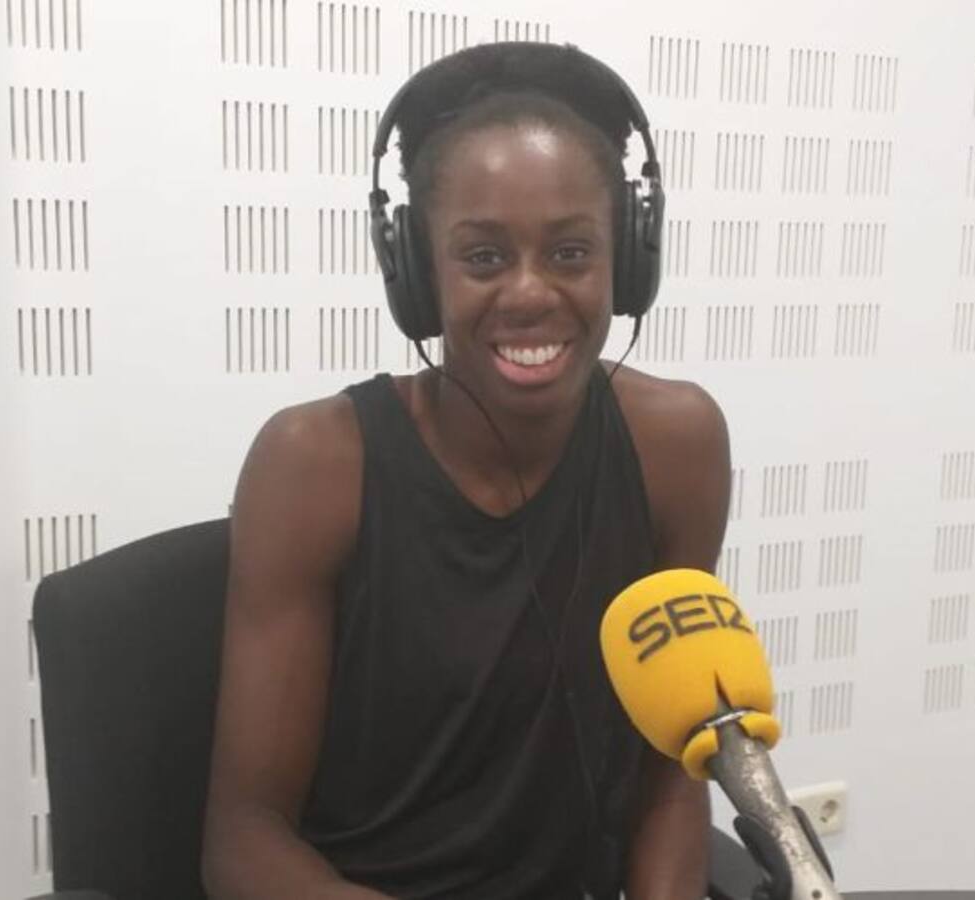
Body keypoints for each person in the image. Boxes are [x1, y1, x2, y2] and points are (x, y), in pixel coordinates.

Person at [201, 41, 731, 900]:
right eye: (484, 257)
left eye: (571, 253)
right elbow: (243, 841)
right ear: (416, 275)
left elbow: (668, 770)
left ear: (630, 264)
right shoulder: (314, 465)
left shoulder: (677, 446)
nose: (529, 293)